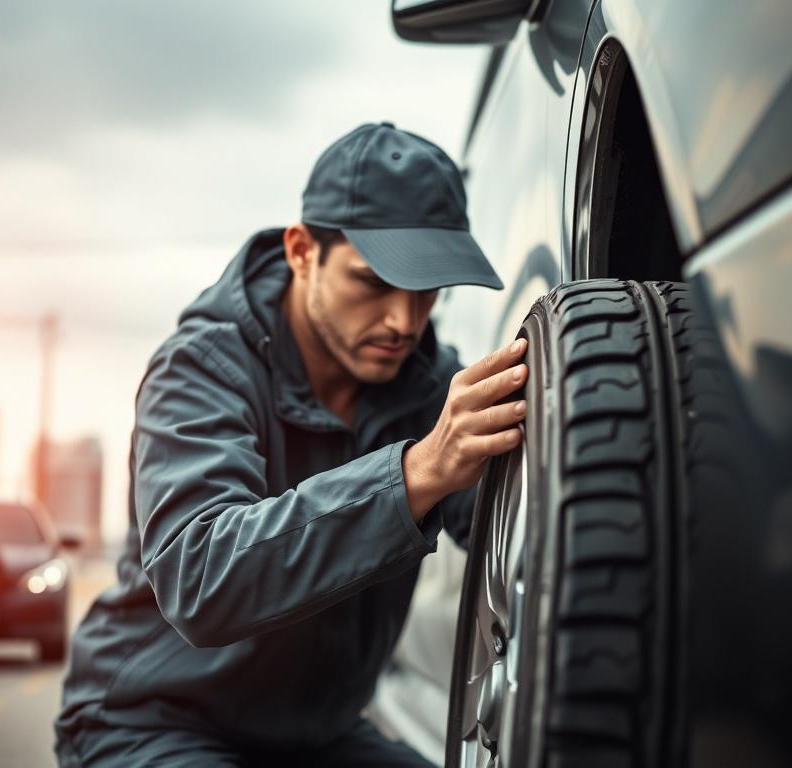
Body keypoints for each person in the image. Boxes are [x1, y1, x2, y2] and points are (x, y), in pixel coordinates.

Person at [54, 122, 529, 766]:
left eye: (426, 291)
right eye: (373, 283)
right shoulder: (200, 370)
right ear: (303, 251)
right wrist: (416, 473)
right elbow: (200, 578)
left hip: (318, 738)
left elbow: (517, 531)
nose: (403, 320)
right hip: (153, 723)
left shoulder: (429, 387)